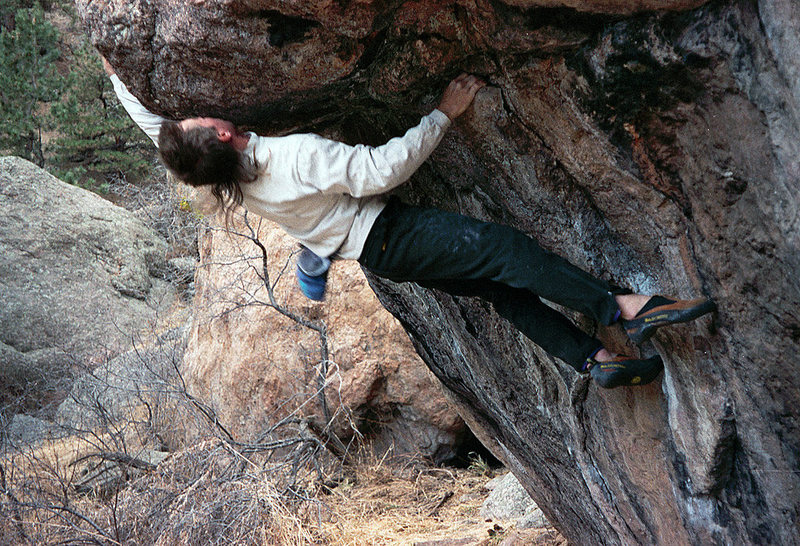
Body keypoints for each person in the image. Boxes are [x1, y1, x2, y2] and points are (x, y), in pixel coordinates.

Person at [104, 58, 714, 389]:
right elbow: (379, 170)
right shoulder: (293, 158)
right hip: (390, 234)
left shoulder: (226, 178)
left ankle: (592, 361)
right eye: (197, 119)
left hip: (379, 255)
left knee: (502, 291)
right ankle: (623, 309)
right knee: (500, 249)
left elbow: (153, 123)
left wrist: (115, 69)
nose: (196, 113)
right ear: (222, 133)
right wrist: (443, 114)